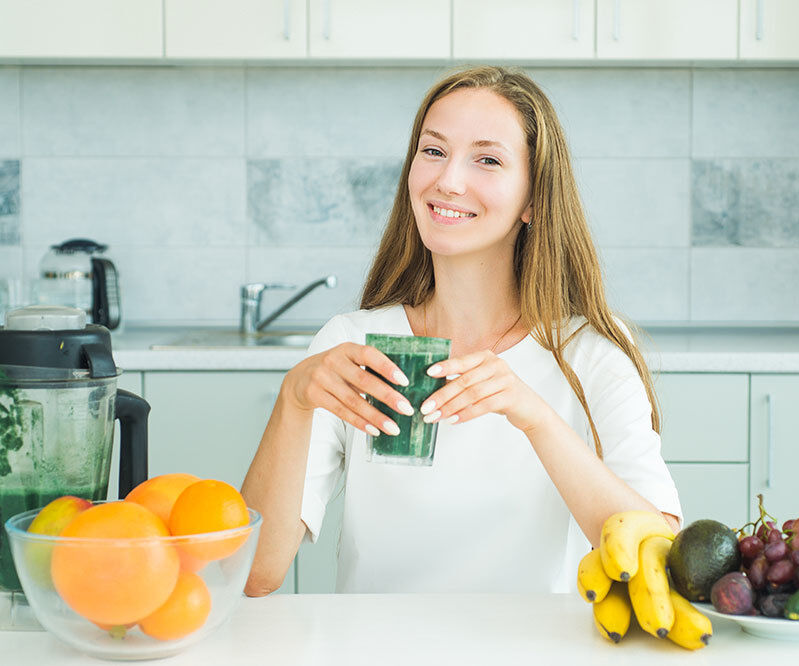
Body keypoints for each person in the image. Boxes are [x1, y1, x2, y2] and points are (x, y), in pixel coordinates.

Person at [241, 65, 681, 595]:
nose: (447, 180)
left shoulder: (590, 354)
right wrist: (293, 400)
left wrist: (533, 416)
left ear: (536, 200)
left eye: (487, 159)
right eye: (433, 151)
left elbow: (658, 560)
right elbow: (254, 575)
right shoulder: (352, 346)